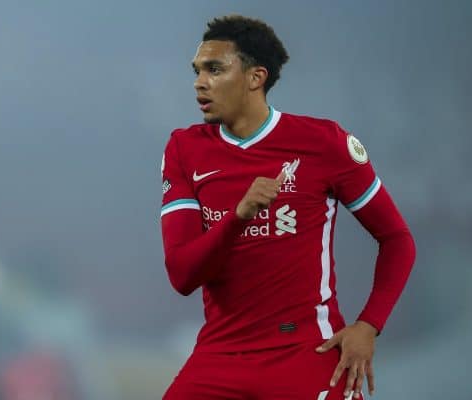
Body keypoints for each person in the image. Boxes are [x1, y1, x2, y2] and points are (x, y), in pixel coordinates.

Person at [159, 15, 415, 400]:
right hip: (221, 355)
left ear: (255, 77)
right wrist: (239, 217)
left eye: (215, 69)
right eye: (197, 70)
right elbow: (182, 276)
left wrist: (369, 325)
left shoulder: (324, 143)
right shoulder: (184, 148)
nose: (199, 81)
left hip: (306, 351)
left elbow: (397, 239)